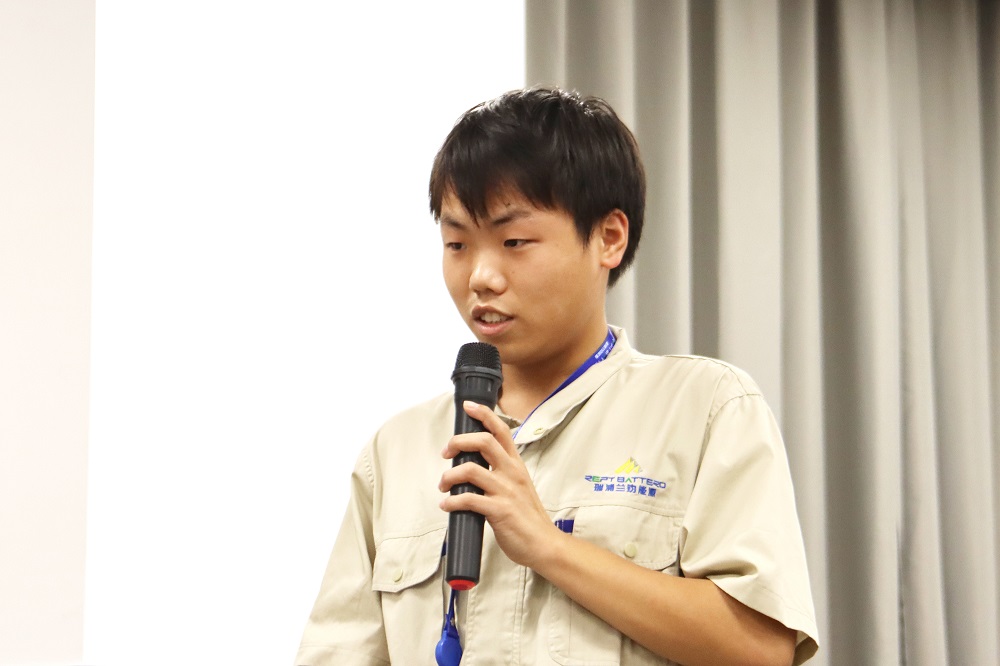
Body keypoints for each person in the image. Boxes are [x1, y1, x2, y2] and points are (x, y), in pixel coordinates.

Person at [295, 87, 819, 666]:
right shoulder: (395, 450)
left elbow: (761, 648)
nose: (480, 276)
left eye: (514, 242)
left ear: (609, 238)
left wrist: (549, 547)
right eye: (457, 243)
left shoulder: (706, 408)